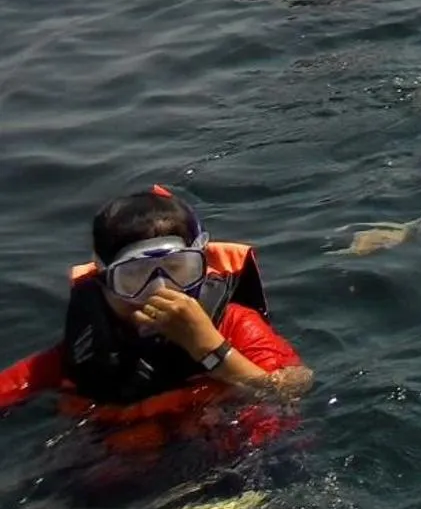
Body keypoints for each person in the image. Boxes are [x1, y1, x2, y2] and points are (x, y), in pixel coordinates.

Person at [0, 188, 311, 449]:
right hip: (112, 480)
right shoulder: (82, 350)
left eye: (178, 270)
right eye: (134, 277)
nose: (159, 290)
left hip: (226, 466)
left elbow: (292, 388)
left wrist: (209, 349)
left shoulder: (232, 324)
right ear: (103, 278)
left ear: (201, 266)